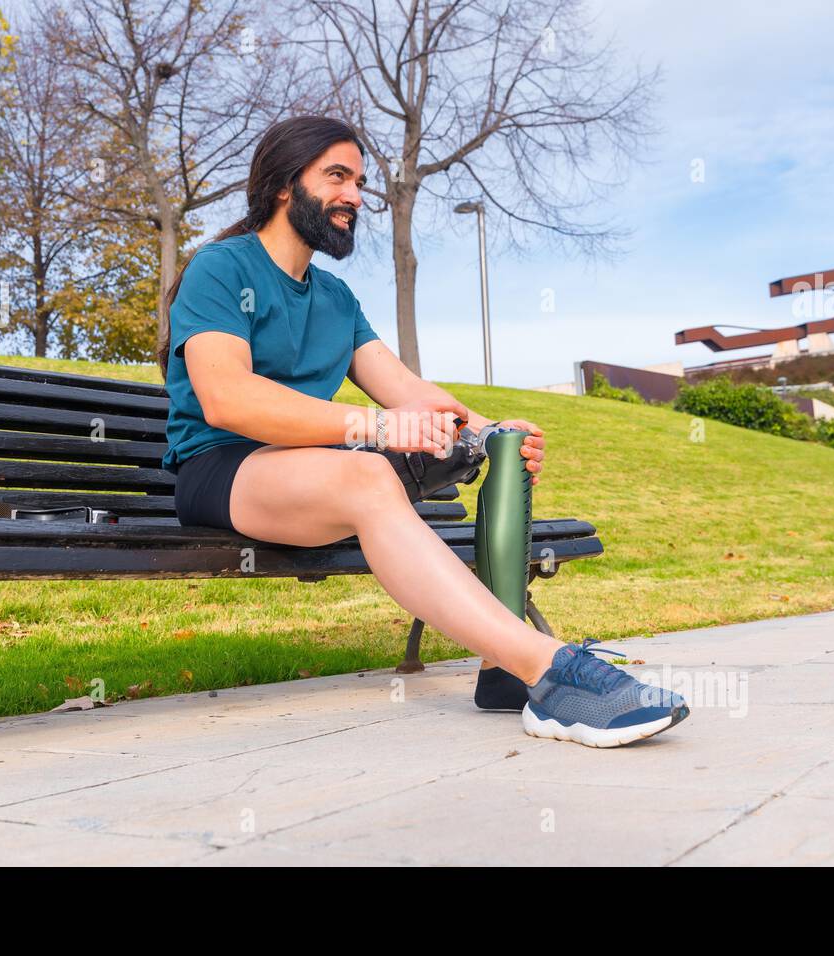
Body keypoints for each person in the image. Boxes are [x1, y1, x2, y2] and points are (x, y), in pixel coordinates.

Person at [161, 115, 688, 747]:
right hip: (223, 471)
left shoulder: (335, 299)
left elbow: (407, 390)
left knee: (461, 460)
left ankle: (503, 672)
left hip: (310, 473)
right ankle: (551, 673)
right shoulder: (221, 269)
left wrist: (494, 430)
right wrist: (377, 427)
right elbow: (227, 399)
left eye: (358, 181)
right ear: (282, 184)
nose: (355, 196)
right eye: (337, 176)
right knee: (367, 471)